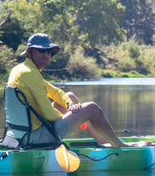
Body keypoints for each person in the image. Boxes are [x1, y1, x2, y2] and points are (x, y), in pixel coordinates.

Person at [8, 33, 145, 147]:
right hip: (37, 137)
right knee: (92, 108)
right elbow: (49, 114)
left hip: (23, 135)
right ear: (30, 52)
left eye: (49, 51)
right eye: (42, 50)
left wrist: (70, 106)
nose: (47, 55)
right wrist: (77, 118)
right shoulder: (30, 73)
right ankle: (120, 145)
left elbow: (56, 92)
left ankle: (101, 140)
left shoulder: (22, 70)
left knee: (70, 97)